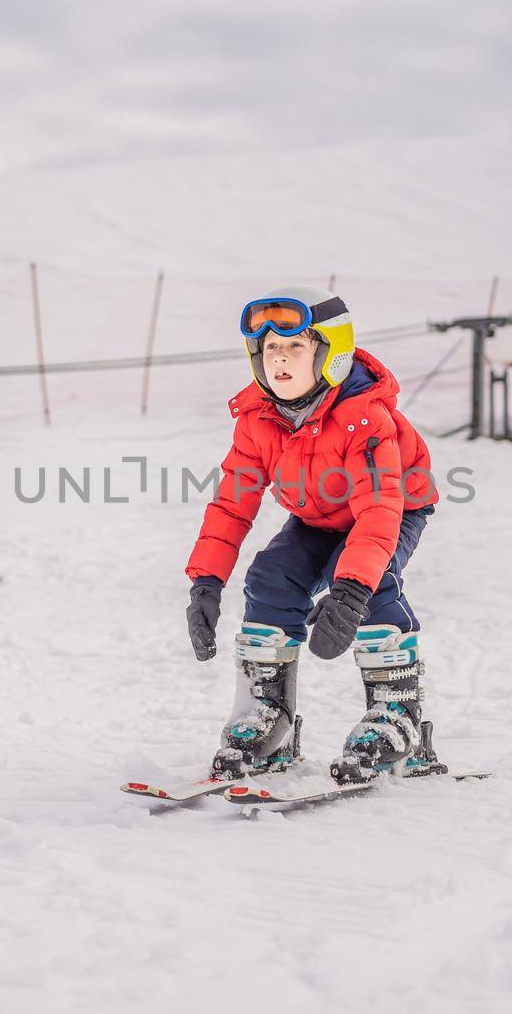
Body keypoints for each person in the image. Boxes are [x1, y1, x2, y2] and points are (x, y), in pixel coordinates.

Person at [184, 287, 441, 784]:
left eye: (295, 346)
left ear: (330, 352)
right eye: (269, 350)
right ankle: (266, 717)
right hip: (317, 515)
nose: (279, 359)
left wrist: (348, 593)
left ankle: (396, 718)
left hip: (392, 510)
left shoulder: (364, 416)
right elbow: (232, 504)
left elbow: (378, 509)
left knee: (374, 581)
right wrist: (206, 582)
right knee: (271, 576)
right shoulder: (259, 418)